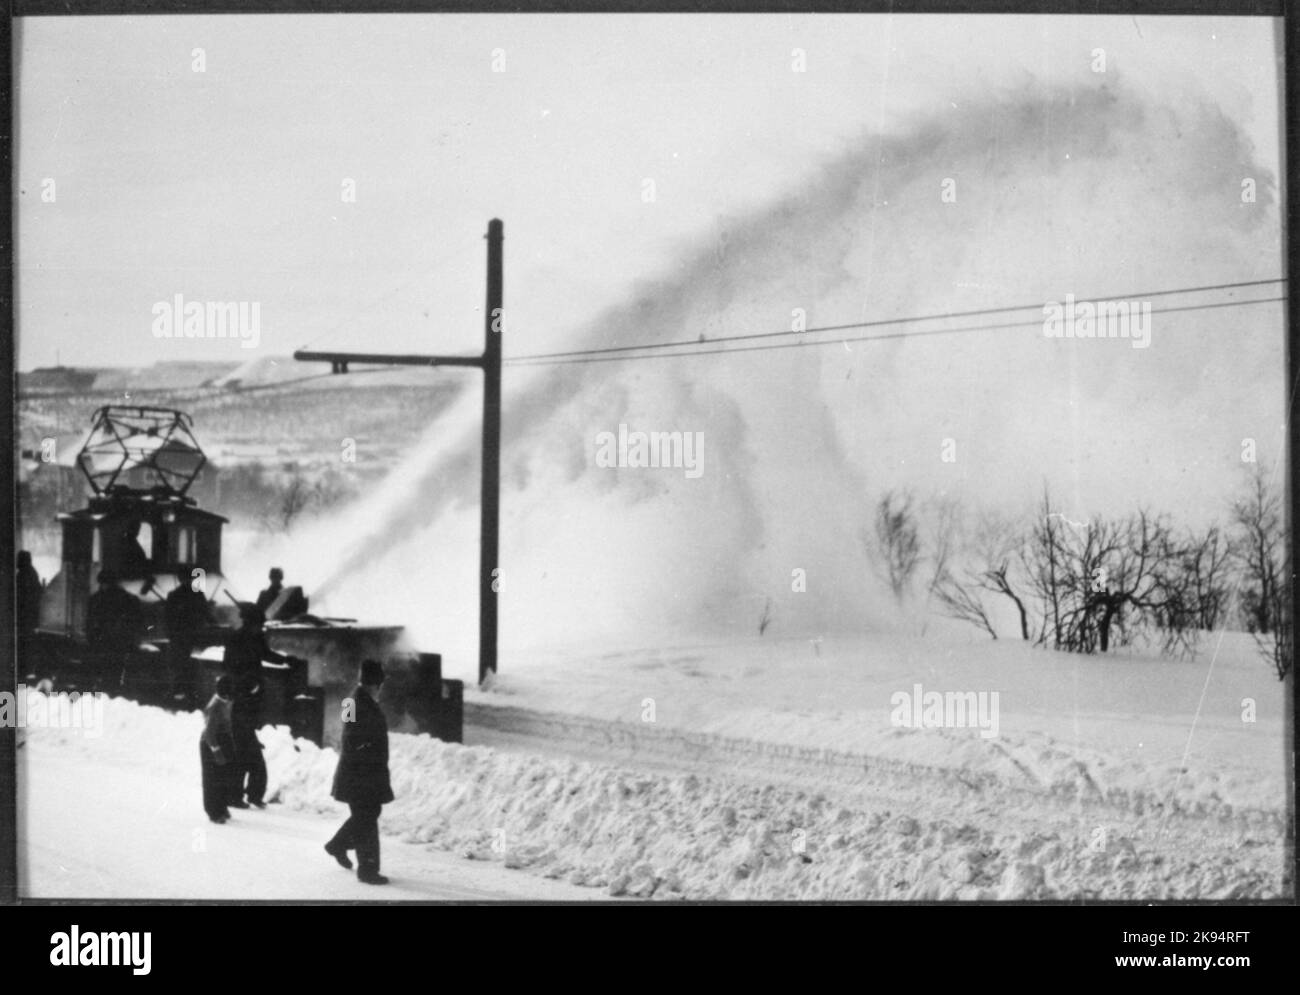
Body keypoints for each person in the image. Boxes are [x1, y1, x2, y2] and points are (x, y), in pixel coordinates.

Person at [222, 603, 300, 808]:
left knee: (248, 749)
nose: (262, 628)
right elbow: (228, 668)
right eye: (260, 624)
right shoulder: (235, 639)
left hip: (253, 700)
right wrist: (244, 684)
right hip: (240, 700)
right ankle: (239, 795)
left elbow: (265, 654)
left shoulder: (256, 638)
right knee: (245, 750)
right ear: (250, 623)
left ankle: (248, 794)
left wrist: (285, 660)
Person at [324, 659, 394, 885]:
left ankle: (337, 845)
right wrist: (368, 750)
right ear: (374, 683)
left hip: (366, 770)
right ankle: (368, 870)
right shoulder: (352, 702)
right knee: (366, 819)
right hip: (359, 771)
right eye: (379, 683)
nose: (380, 688)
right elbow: (349, 738)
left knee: (368, 814)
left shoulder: (359, 700)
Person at [85, 570, 143, 692]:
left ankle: (106, 691)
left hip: (102, 642)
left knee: (103, 670)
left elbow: (90, 623)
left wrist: (91, 639)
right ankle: (113, 691)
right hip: (119, 642)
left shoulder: (96, 599)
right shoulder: (128, 598)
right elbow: (135, 622)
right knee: (116, 670)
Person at [165, 568, 211, 707]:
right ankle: (191, 696)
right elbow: (206, 614)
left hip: (178, 638)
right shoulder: (198, 594)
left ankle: (178, 696)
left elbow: (168, 618)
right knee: (192, 667)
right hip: (194, 638)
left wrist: (171, 635)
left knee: (179, 668)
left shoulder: (173, 594)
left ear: (179, 579)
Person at [200, 676, 236, 824]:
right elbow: (209, 734)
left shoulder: (225, 702)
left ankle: (222, 806)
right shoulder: (214, 706)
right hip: (211, 744)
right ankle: (213, 811)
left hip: (222, 740)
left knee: (223, 777)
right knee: (212, 779)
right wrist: (217, 752)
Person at [16, 551, 44, 673]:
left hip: (25, 616)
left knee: (25, 644)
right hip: (30, 616)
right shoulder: (32, 573)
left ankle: (25, 669)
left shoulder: (24, 574)